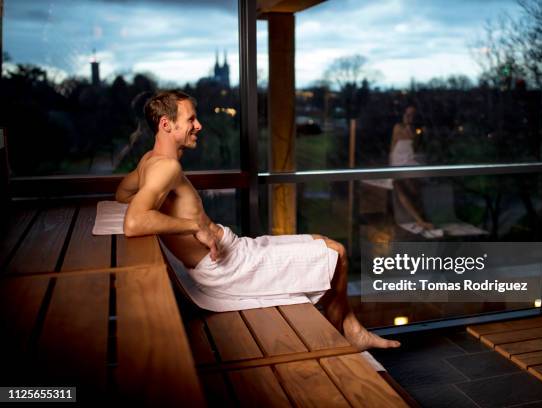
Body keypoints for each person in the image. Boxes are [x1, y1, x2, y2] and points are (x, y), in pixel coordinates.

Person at [115, 90, 399, 350]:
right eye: (191, 119)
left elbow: (123, 193)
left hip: (233, 250)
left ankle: (349, 331)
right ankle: (345, 339)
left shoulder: (149, 162)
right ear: (166, 125)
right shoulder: (165, 167)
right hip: (227, 269)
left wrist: (168, 212)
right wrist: (194, 226)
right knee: (336, 252)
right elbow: (135, 222)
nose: (198, 125)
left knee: (320, 242)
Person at [390, 105, 433, 231]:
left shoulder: (416, 131)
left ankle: (421, 218)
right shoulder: (398, 127)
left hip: (410, 162)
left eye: (413, 115)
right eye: (407, 114)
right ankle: (420, 220)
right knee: (400, 188)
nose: (410, 118)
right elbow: (399, 141)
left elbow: (415, 144)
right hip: (398, 163)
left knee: (414, 189)